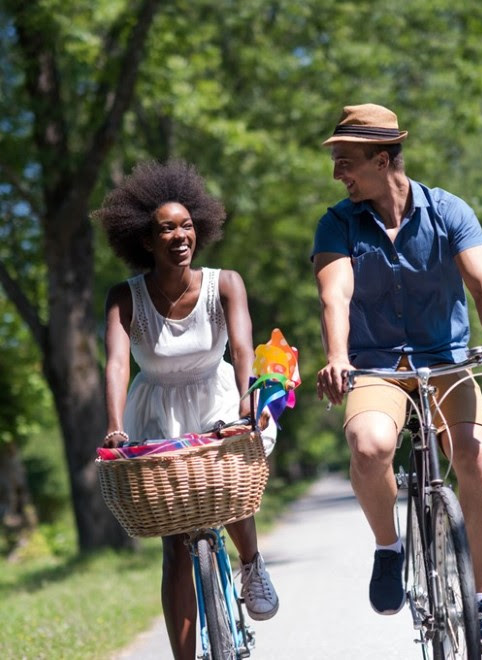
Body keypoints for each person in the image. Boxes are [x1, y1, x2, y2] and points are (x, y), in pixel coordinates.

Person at [312, 103, 482, 652]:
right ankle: (389, 547)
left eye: (346, 161)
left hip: (447, 359)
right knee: (370, 444)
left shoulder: (449, 210)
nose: (338, 173)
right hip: (376, 365)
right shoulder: (337, 223)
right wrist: (337, 355)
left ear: (382, 159)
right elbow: (334, 294)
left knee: (474, 453)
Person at [93, 160, 279, 660]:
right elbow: (115, 365)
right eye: (166, 229)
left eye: (187, 225)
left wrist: (246, 398)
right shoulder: (124, 298)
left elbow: (242, 348)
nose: (180, 236)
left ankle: (253, 564)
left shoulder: (226, 283)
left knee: (230, 489)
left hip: (217, 393)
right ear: (146, 241)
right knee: (174, 545)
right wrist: (114, 426)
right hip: (156, 407)